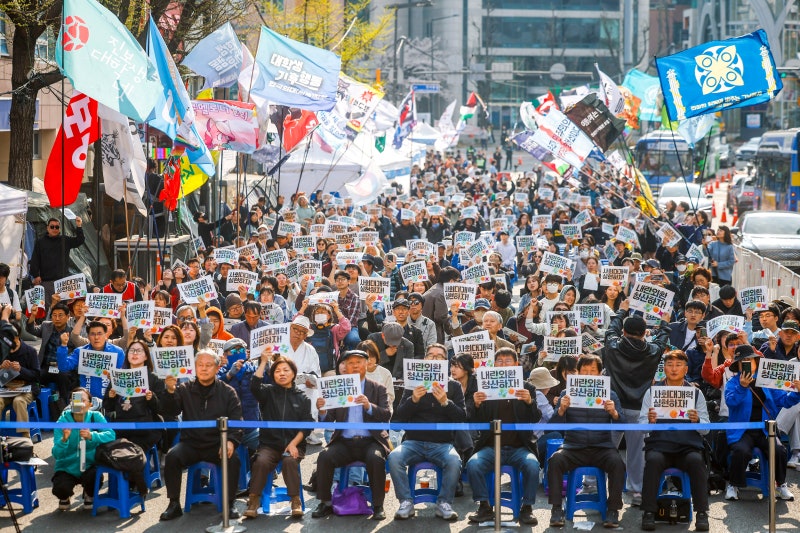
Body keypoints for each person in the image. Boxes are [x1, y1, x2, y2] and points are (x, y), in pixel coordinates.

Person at [159, 349, 244, 521]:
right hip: (191, 443)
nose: (204, 369)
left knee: (233, 459)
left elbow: (237, 421)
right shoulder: (184, 389)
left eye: (208, 365)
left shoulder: (228, 392)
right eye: (200, 365)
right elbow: (171, 410)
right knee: (172, 457)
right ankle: (174, 503)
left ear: (217, 367)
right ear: (195, 367)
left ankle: (230, 503)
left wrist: (230, 442)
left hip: (217, 443)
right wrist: (169, 391)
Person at [603, 299, 670, 505]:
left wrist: (622, 310)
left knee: (604, 447)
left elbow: (610, 330)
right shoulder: (652, 351)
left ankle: (592, 482)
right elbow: (662, 340)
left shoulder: (613, 345)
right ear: (644, 333)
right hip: (639, 407)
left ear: (624, 332)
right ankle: (637, 491)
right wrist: (665, 323)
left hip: (613, 407)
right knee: (636, 452)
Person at [389, 344, 466, 521]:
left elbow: (462, 418)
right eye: (431, 355)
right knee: (394, 458)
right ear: (424, 360)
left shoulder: (453, 386)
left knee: (454, 461)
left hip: (443, 444)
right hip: (413, 443)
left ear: (446, 362)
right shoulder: (412, 384)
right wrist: (413, 400)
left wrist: (446, 402)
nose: (434, 359)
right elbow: (398, 420)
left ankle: (444, 503)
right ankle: (406, 502)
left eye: (439, 357)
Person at [312, 350, 391, 521]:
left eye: (359, 362)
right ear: (345, 366)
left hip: (371, 441)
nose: (355, 366)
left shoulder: (378, 388)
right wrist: (323, 410)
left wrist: (369, 406)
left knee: (376, 458)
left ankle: (378, 505)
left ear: (367, 364)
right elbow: (328, 420)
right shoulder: (338, 387)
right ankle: (325, 502)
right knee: (324, 456)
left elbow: (386, 415)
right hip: (344, 442)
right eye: (350, 363)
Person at [548, 354, 625, 528]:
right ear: (578, 373)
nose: (589, 375)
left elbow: (623, 426)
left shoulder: (610, 394)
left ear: (600, 374)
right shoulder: (565, 394)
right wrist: (561, 410)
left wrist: (614, 413)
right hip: (573, 447)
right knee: (555, 460)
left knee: (617, 463)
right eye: (585, 371)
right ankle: (556, 509)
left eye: (593, 371)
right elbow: (552, 426)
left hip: (602, 447)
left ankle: (613, 509)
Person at [467, 347, 542, 526]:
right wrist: (476, 405)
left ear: (516, 364)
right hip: (491, 447)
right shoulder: (484, 385)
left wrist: (529, 402)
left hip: (520, 447)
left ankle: (527, 508)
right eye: (499, 361)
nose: (503, 364)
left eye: (508, 361)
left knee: (532, 465)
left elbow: (535, 418)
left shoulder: (527, 387)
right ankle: (484, 506)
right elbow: (475, 420)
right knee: (473, 464)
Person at [639, 350, 710, 532]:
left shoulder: (695, 394)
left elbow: (706, 429)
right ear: (664, 368)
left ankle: (702, 512)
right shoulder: (653, 392)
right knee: (653, 461)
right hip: (660, 446)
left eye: (678, 365)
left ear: (686, 369)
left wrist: (697, 421)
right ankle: (648, 512)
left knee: (696, 461)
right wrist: (650, 421)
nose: (673, 369)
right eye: (669, 365)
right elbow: (641, 427)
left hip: (687, 447)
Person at [723, 344, 798, 502]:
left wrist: (797, 392)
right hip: (742, 431)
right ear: (738, 365)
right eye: (744, 361)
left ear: (757, 361)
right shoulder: (733, 383)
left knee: (779, 450)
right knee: (741, 451)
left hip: (765, 429)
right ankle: (733, 485)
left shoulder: (767, 380)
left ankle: (781, 485)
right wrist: (743, 387)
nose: (748, 363)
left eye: (751, 360)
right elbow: (731, 402)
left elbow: (785, 400)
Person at [244, 354, 313, 519]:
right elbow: (254, 386)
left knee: (289, 461)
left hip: (294, 445)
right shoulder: (267, 392)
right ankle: (253, 501)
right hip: (269, 444)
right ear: (273, 374)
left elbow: (307, 425)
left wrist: (294, 444)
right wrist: (263, 362)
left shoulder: (302, 397)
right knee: (260, 461)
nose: (281, 374)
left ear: (293, 373)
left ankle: (295, 500)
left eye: (286, 370)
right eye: (277, 371)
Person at [52, 387, 116, 511]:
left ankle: (89, 494)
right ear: (71, 403)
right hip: (67, 467)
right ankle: (65, 497)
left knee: (94, 478)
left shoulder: (95, 416)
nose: (79, 404)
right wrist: (64, 440)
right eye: (76, 400)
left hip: (89, 464)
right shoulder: (62, 421)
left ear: (90, 404)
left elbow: (111, 434)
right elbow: (56, 454)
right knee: (60, 488)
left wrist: (92, 436)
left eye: (83, 400)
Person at [57, 320, 126, 399]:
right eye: (92, 334)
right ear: (88, 336)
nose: (96, 337)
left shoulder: (118, 352)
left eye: (99, 334)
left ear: (105, 335)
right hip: (84, 397)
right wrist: (63, 345)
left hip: (110, 398)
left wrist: (115, 376)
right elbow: (63, 367)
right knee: (75, 407)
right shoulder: (80, 351)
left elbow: (124, 379)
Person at [0, 305, 40, 438]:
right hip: (6, 389)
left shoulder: (30, 351)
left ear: (18, 337)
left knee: (19, 401)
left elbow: (36, 375)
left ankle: (25, 436)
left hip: (26, 388)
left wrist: (21, 370)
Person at [29, 216, 85, 301]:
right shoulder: (40, 242)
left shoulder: (65, 240)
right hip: (46, 281)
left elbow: (79, 240)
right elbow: (35, 260)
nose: (54, 229)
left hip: (62, 282)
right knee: (48, 307)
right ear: (47, 228)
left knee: (61, 307)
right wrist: (36, 275)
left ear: (59, 228)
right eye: (52, 227)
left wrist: (79, 226)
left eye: (57, 227)